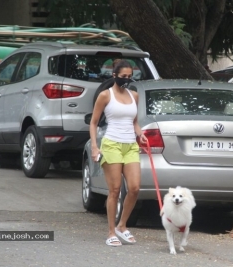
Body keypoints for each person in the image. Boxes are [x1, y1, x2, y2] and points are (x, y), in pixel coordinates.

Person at [89, 59, 147, 247]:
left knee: (135, 188)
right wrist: (94, 147)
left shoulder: (134, 96)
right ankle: (111, 231)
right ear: (114, 76)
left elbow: (134, 121)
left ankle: (123, 226)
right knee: (114, 191)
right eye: (123, 77)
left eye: (130, 77)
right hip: (111, 144)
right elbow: (94, 122)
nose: (127, 80)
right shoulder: (105, 96)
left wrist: (141, 134)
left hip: (130, 145)